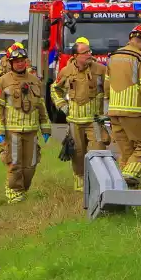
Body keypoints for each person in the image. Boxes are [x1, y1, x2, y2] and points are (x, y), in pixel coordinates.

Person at [0, 46, 52, 203]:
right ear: (11, 63)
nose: (20, 64)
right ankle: (14, 192)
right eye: (16, 61)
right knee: (14, 164)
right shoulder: (3, 81)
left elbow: (41, 105)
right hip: (12, 131)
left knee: (31, 165)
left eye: (22, 61)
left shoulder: (35, 80)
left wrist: (45, 127)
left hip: (32, 130)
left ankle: (21, 190)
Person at [106, 25, 141, 187]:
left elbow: (106, 86)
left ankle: (125, 195)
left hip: (114, 112)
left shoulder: (113, 57)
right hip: (136, 113)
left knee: (127, 153)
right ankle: (123, 181)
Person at [50, 37, 107, 190]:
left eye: (89, 51)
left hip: (94, 121)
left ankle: (98, 182)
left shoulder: (100, 70)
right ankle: (80, 182)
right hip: (74, 122)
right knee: (77, 153)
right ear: (75, 56)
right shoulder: (66, 71)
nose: (89, 54)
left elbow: (110, 90)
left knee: (99, 151)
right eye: (85, 52)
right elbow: (55, 89)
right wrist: (62, 105)